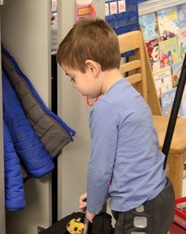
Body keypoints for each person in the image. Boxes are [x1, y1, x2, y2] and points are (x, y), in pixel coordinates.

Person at [56, 17, 175, 234]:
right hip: (160, 195)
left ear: (91, 68)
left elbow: (101, 168)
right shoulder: (131, 94)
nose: (73, 85)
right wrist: (99, 195)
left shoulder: (105, 108)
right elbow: (130, 161)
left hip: (139, 209)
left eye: (72, 77)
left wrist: (92, 209)